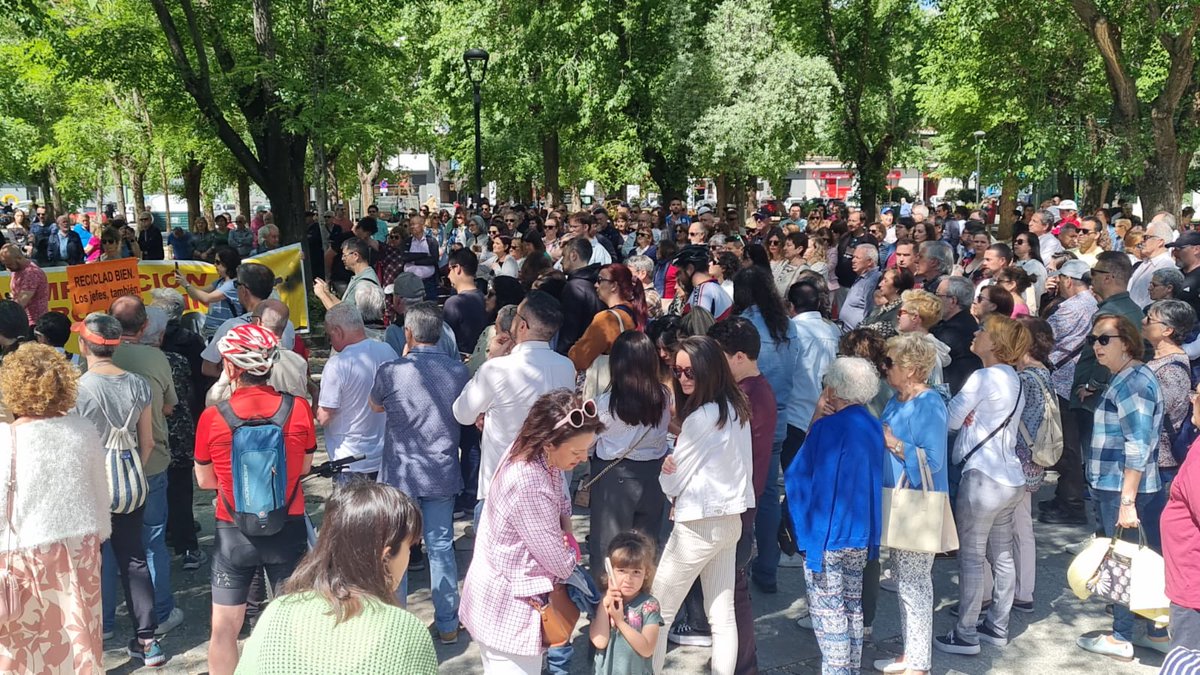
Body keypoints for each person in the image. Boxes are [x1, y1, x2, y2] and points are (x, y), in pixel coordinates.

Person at [194, 324, 316, 675]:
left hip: (233, 531)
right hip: (287, 525)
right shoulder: (298, 409)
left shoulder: (212, 417)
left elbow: (205, 481)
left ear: (230, 366)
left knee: (224, 631)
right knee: (296, 626)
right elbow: (305, 466)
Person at [460, 389, 601, 674]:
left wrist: (564, 535)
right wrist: (570, 548)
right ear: (549, 442)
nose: (584, 458)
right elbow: (560, 563)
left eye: (587, 449)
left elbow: (563, 507)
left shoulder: (532, 454)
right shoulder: (529, 483)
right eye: (576, 452)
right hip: (509, 611)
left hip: (497, 599)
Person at [236, 482, 437, 674]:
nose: (409, 556)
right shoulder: (405, 631)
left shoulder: (276, 612)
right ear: (385, 557)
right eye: (409, 547)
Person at [0, 343, 111, 672]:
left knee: (24, 649)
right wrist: (97, 536)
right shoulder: (83, 431)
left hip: (22, 553)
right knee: (80, 641)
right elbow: (100, 493)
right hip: (80, 548)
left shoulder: (5, 440)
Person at [652, 335, 753, 675]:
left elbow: (672, 481)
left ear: (709, 370)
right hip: (730, 519)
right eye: (677, 371)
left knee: (658, 611)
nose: (682, 378)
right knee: (722, 615)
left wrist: (667, 472)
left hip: (697, 524)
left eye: (690, 372)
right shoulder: (736, 410)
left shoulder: (701, 418)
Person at [369, 302, 469, 644]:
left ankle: (398, 626)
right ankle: (448, 623)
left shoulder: (391, 370)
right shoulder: (458, 371)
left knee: (396, 548)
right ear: (440, 334)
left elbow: (375, 405)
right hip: (441, 470)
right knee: (441, 547)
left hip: (400, 474)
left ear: (408, 333)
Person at [70, 312, 164, 664]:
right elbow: (148, 441)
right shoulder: (139, 385)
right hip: (130, 482)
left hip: (90, 486)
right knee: (135, 558)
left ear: (84, 345)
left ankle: (91, 642)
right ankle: (148, 641)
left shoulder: (78, 389)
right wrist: (131, 470)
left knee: (89, 562)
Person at [1076, 314, 1170, 660]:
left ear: (1127, 342)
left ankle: (1121, 637)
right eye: (1093, 340)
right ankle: (1154, 631)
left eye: (1104, 339)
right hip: (1119, 486)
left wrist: (1127, 500)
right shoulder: (1125, 377)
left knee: (1124, 560)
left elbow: (1138, 444)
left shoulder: (1134, 382)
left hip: (1124, 488)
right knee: (1140, 558)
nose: (1097, 346)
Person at [936, 315, 1029, 656]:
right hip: (1010, 477)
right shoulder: (1015, 379)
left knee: (972, 556)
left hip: (983, 477)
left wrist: (961, 413)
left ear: (996, 343)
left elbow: (950, 419)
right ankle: (997, 626)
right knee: (1002, 554)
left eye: (984, 331)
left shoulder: (983, 376)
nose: (976, 333)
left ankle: (965, 633)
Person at [786, 357, 883, 675]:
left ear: (833, 388)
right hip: (860, 531)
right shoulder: (873, 424)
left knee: (829, 614)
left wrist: (816, 416)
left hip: (828, 532)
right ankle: (850, 669)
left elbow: (798, 474)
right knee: (852, 607)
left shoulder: (827, 427)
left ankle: (838, 670)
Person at [453, 291, 576, 526]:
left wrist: (491, 359)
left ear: (522, 325)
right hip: (548, 485)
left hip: (501, 485)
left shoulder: (496, 369)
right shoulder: (566, 367)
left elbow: (462, 413)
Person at [109, 296, 184, 637]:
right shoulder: (156, 357)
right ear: (144, 327)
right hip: (150, 461)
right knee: (152, 541)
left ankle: (105, 623)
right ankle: (160, 614)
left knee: (108, 544)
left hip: (107, 465)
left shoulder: (94, 360)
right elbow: (169, 407)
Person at [873, 334, 948, 675]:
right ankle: (912, 655)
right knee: (905, 581)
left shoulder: (928, 403)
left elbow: (933, 460)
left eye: (890, 362)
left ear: (913, 368)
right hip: (900, 499)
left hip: (916, 504)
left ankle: (918, 663)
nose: (884, 368)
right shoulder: (897, 398)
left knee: (914, 583)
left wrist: (893, 442)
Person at [707, 317, 777, 673]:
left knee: (733, 590)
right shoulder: (753, 390)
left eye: (718, 357)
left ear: (738, 357)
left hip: (736, 503)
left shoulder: (746, 395)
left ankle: (742, 663)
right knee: (730, 589)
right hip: (741, 498)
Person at [728, 265, 797, 595]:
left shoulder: (743, 327)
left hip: (746, 416)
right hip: (779, 416)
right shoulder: (787, 325)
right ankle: (768, 567)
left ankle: (735, 566)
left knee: (740, 494)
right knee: (767, 494)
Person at [587, 332, 670, 584]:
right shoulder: (664, 397)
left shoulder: (604, 404)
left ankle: (607, 598)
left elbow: (588, 444)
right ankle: (641, 595)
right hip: (653, 476)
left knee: (609, 545)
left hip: (614, 477)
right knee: (646, 544)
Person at [317, 303, 398, 480]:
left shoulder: (337, 364)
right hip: (384, 455)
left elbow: (324, 417)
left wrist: (314, 394)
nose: (330, 341)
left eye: (329, 335)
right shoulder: (388, 351)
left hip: (349, 459)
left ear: (338, 331)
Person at [590, 531, 663, 675]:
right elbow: (599, 641)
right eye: (622, 571)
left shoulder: (649, 605)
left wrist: (620, 622)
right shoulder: (603, 601)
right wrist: (604, 606)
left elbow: (647, 649)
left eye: (636, 572)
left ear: (646, 573)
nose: (629, 579)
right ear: (610, 571)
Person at [1162, 379, 1200, 651]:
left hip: (1193, 584)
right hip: (1188, 579)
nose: (1191, 399)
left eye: (1197, 394)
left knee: (1187, 660)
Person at [1146, 300, 1197, 486]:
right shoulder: (1161, 359)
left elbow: (1153, 412)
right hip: (1150, 457)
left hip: (1159, 462)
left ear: (1168, 330)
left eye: (1150, 319)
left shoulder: (1171, 370)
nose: (1143, 322)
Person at [568, 263, 647, 377]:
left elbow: (579, 358)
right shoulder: (635, 312)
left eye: (600, 280)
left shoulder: (606, 318)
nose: (596, 285)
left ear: (614, 285)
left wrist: (573, 350)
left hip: (610, 383)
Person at [932, 276, 983, 396]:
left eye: (938, 295)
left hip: (951, 396)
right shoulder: (963, 322)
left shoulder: (954, 331)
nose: (934, 300)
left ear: (952, 301)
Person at [178, 246, 243, 338]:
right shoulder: (220, 281)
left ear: (227, 263)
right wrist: (185, 284)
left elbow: (206, 298)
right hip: (213, 331)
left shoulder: (232, 285)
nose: (214, 265)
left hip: (225, 333)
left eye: (217, 262)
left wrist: (186, 284)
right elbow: (197, 294)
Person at [557, 237, 604, 353]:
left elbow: (569, 331)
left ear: (573, 255)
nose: (561, 261)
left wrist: (559, 353)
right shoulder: (599, 283)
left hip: (576, 353)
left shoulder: (574, 287)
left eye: (564, 256)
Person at [314, 237, 379, 311]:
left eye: (344, 255)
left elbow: (343, 314)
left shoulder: (365, 283)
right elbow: (344, 306)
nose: (342, 258)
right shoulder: (358, 278)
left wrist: (322, 295)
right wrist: (327, 293)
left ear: (355, 255)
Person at [444, 248, 487, 354]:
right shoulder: (485, 298)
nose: (448, 275)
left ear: (457, 268)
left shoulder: (454, 303)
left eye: (450, 269)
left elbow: (445, 341)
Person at [861, 267, 916, 338]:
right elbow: (862, 324)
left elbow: (873, 333)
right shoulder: (881, 308)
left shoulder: (901, 311)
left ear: (897, 287)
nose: (880, 284)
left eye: (885, 281)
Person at [1, 244, 48, 326]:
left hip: (34, 323)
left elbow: (20, 302)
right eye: (5, 264)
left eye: (9, 264)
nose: (7, 268)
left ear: (19, 258)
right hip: (23, 320)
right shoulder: (17, 269)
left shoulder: (31, 273)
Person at [840, 244, 882, 329]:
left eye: (857, 258)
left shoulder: (872, 281)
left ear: (869, 262)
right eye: (853, 257)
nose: (853, 260)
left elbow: (870, 313)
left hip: (856, 333)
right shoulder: (862, 277)